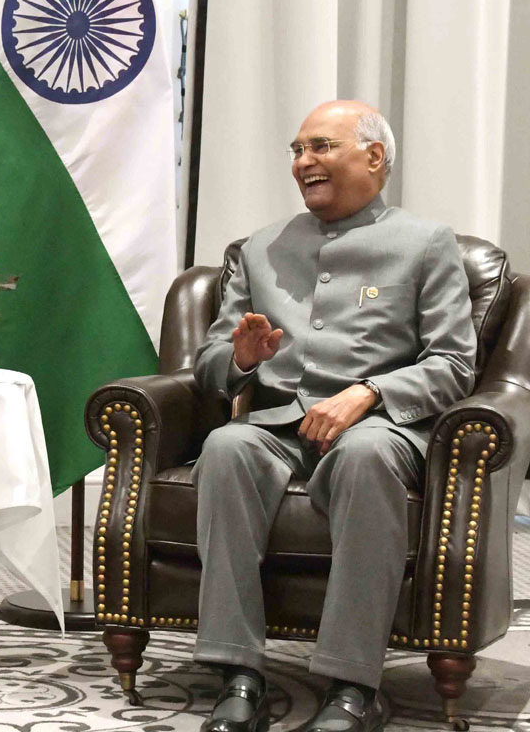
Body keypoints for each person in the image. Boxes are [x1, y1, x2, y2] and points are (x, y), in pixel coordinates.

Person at [191, 101, 477, 732]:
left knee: (364, 455)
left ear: (374, 157)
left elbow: (455, 364)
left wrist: (370, 392)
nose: (303, 162)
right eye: (297, 151)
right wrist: (239, 359)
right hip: (277, 426)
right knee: (226, 447)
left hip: (380, 428)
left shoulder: (426, 243)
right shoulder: (262, 248)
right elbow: (209, 363)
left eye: (320, 147)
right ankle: (238, 674)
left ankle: (353, 685)